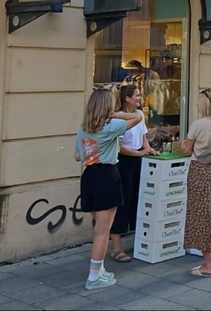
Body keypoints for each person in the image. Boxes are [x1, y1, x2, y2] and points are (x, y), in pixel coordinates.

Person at [74, 89, 144, 290]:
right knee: (102, 231)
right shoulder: (110, 126)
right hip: (106, 175)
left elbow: (78, 156)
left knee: (98, 226)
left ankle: (100, 269)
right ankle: (94, 276)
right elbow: (137, 117)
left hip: (89, 176)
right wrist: (113, 114)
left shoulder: (83, 129)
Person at [181, 88, 211, 277]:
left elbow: (187, 150)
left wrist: (186, 146)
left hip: (200, 170)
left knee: (200, 215)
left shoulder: (198, 124)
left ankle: (208, 264)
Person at [109, 85, 157, 263]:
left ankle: (138, 241)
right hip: (124, 162)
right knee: (122, 203)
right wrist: (139, 153)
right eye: (137, 95)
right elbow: (118, 147)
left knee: (138, 200)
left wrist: (148, 149)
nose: (140, 97)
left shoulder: (139, 114)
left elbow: (143, 135)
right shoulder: (118, 119)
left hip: (138, 160)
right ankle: (116, 248)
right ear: (127, 98)